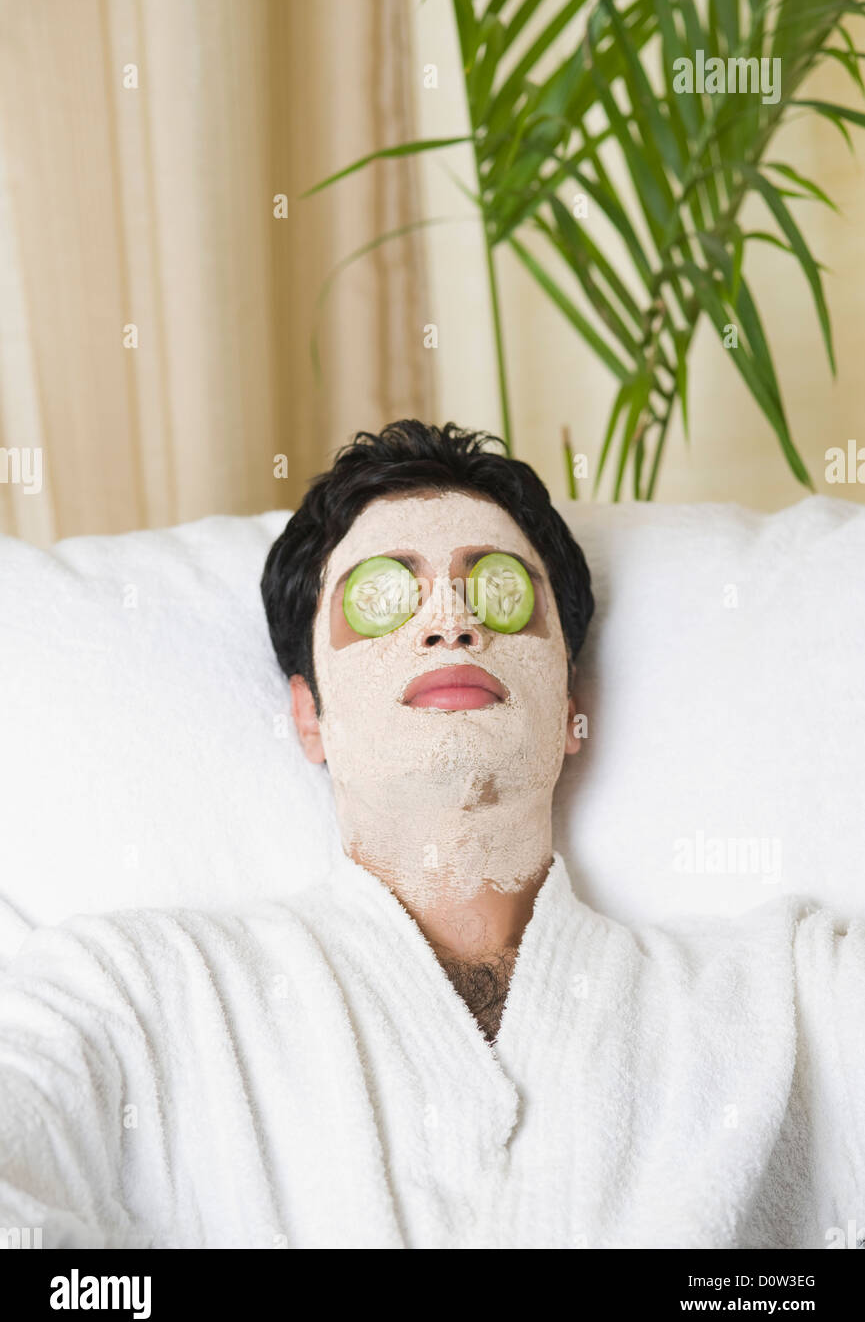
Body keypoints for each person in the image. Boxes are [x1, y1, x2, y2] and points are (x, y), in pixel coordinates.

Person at [0, 421, 862, 1250]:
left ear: (570, 709)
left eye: (496, 586)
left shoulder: (790, 999)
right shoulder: (133, 995)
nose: (449, 621)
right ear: (310, 718)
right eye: (386, 595)